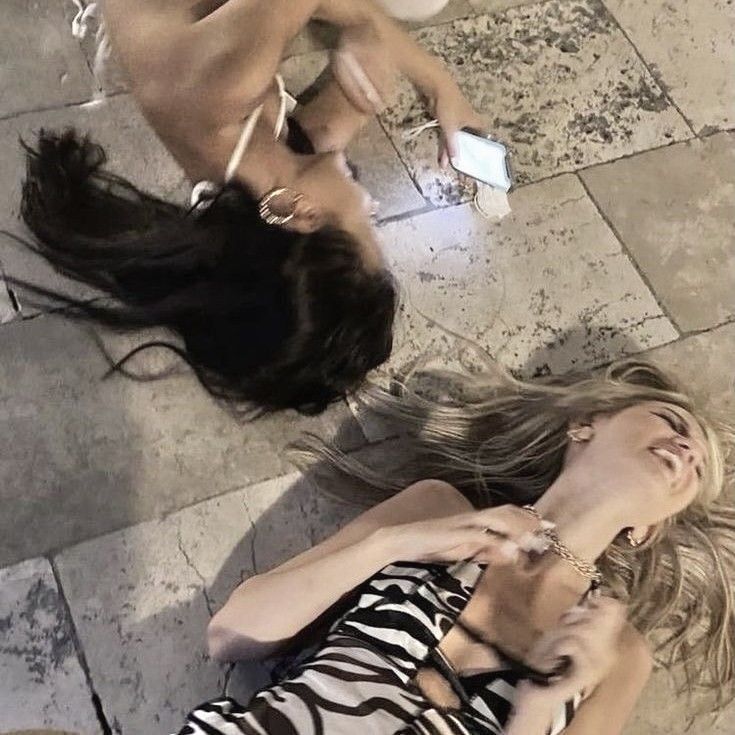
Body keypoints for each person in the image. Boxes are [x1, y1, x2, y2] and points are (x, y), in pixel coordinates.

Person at [176, 359, 734, 733]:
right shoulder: (436, 509)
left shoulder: (618, 654)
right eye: (670, 421)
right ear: (585, 424)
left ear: (648, 529)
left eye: (698, 467)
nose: (686, 450)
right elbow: (230, 633)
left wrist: (538, 712)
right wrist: (389, 544)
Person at [14, 0, 482, 414]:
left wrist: (365, 31)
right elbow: (356, 97)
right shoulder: (254, 180)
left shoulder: (224, 90)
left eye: (365, 223)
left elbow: (352, 18)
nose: (368, 202)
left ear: (303, 216)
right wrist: (441, 91)